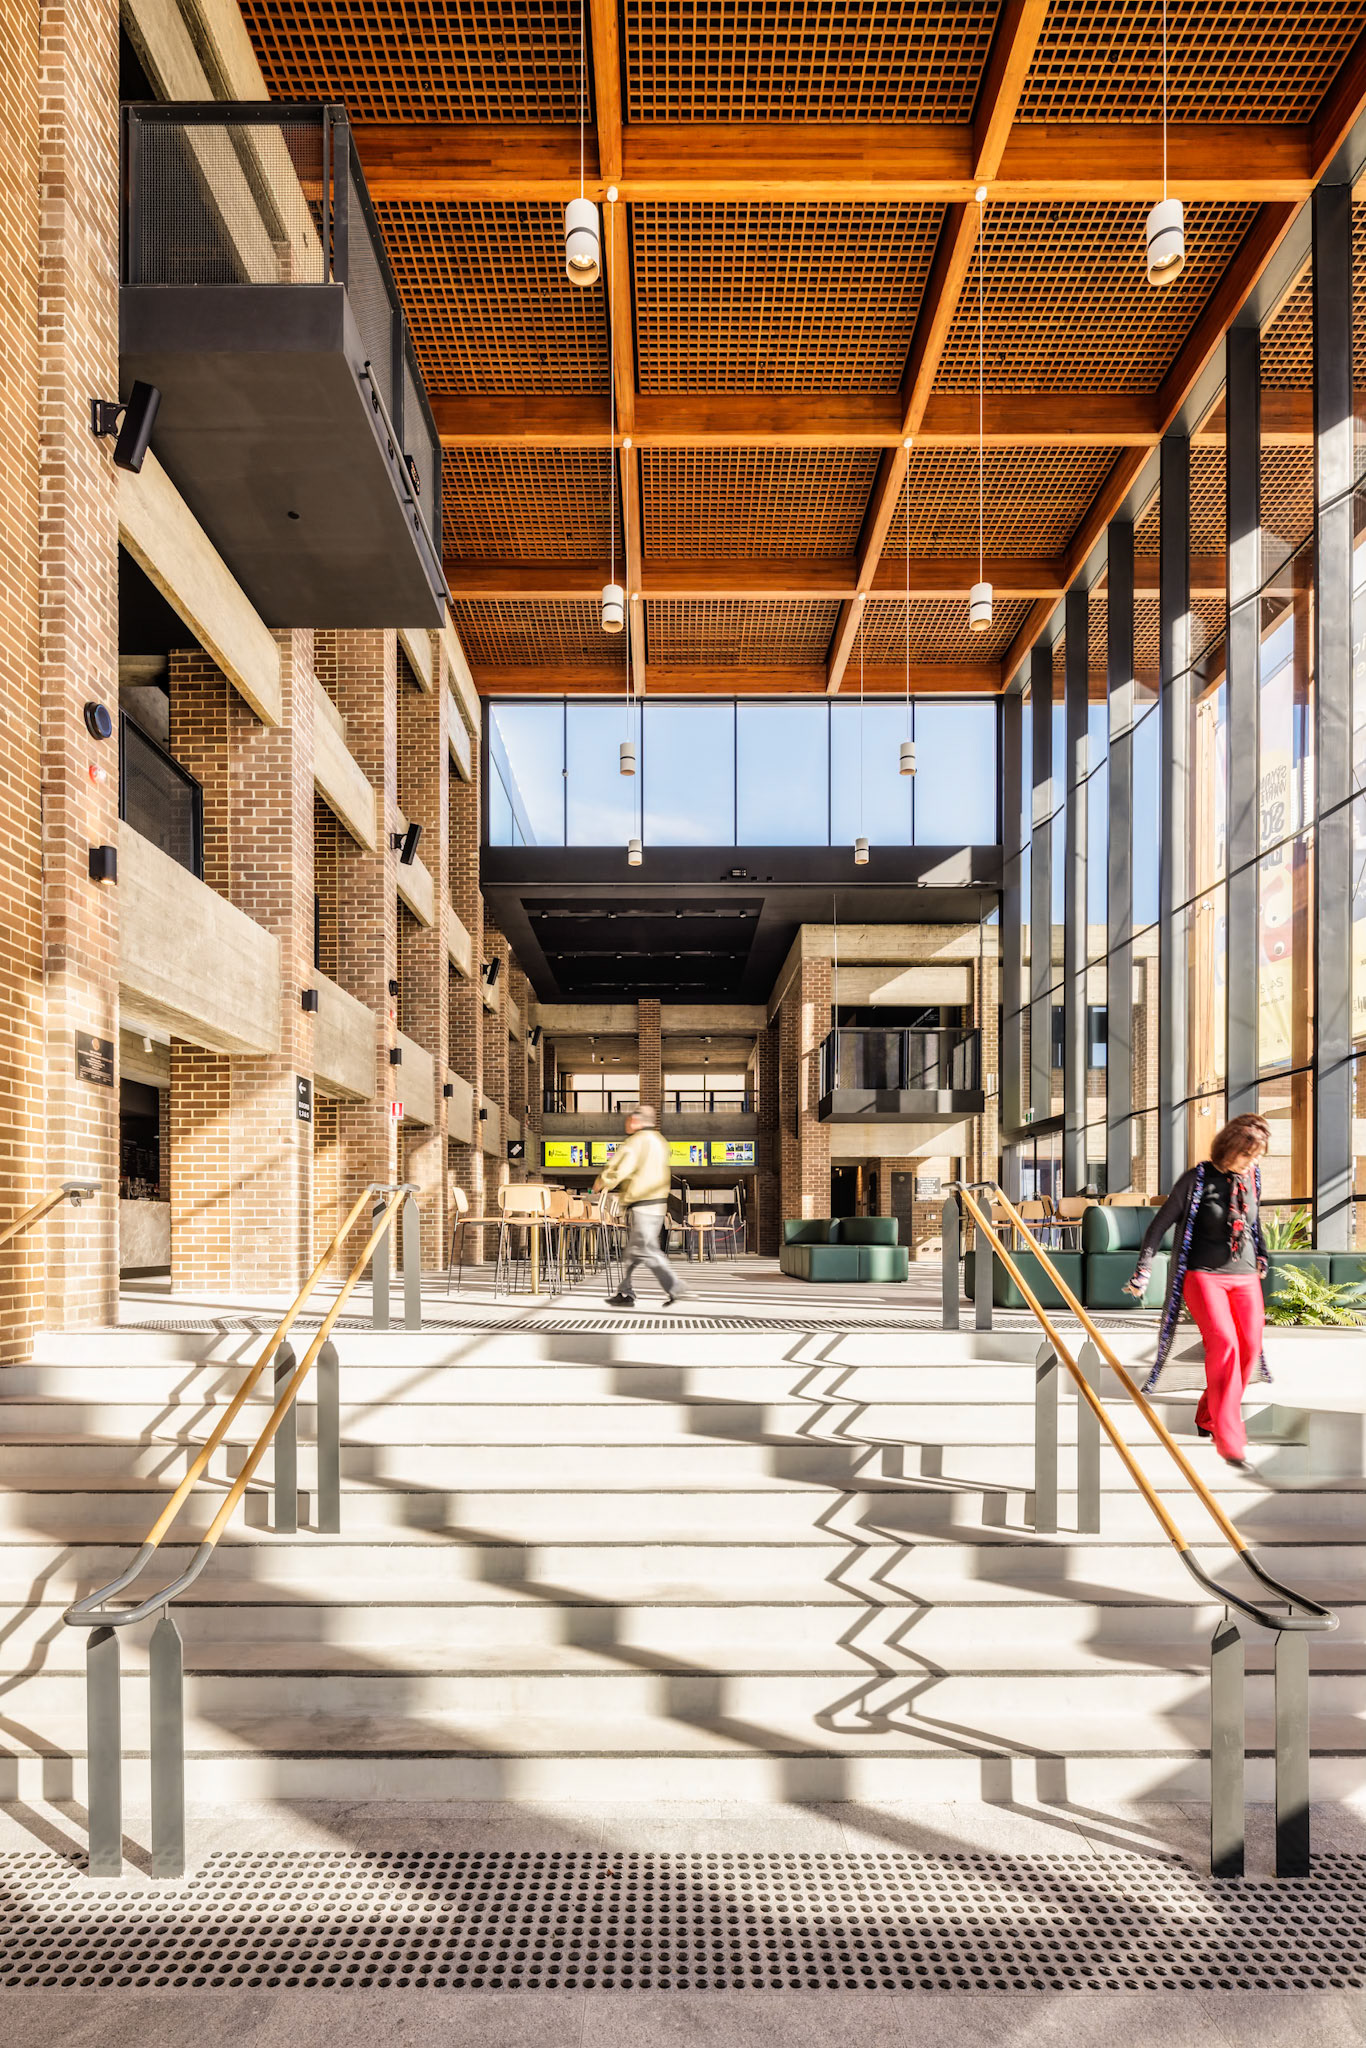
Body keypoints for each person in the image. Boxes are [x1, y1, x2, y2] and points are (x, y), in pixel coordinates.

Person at [1123, 1113, 1272, 1472]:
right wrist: (1144, 1268)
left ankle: (1208, 1416)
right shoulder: (1197, 1178)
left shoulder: (1252, 1176)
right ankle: (1230, 1438)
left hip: (1246, 1276)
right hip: (1204, 1276)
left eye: (1257, 1156)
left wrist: (1263, 1255)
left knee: (1250, 1350)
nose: (1253, 1162)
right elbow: (1159, 1226)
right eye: (1248, 1155)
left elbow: (1254, 1223)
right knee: (1225, 1346)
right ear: (1230, 1148)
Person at [594, 1105, 690, 1308]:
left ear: (637, 1120)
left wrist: (603, 1181)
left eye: (629, 1119)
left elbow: (621, 1167)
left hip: (642, 1203)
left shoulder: (636, 1141)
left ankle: (675, 1287)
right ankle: (625, 1292)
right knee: (633, 1252)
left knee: (646, 1249)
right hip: (657, 1203)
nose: (626, 1122)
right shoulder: (660, 1141)